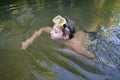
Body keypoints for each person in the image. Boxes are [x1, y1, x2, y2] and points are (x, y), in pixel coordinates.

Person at [22, 15, 95, 59]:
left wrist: (70, 52)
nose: (52, 32)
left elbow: (92, 57)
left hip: (90, 36)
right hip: (77, 34)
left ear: (65, 36)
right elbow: (43, 29)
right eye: (53, 29)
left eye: (55, 31)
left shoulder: (76, 47)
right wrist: (29, 40)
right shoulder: (60, 33)